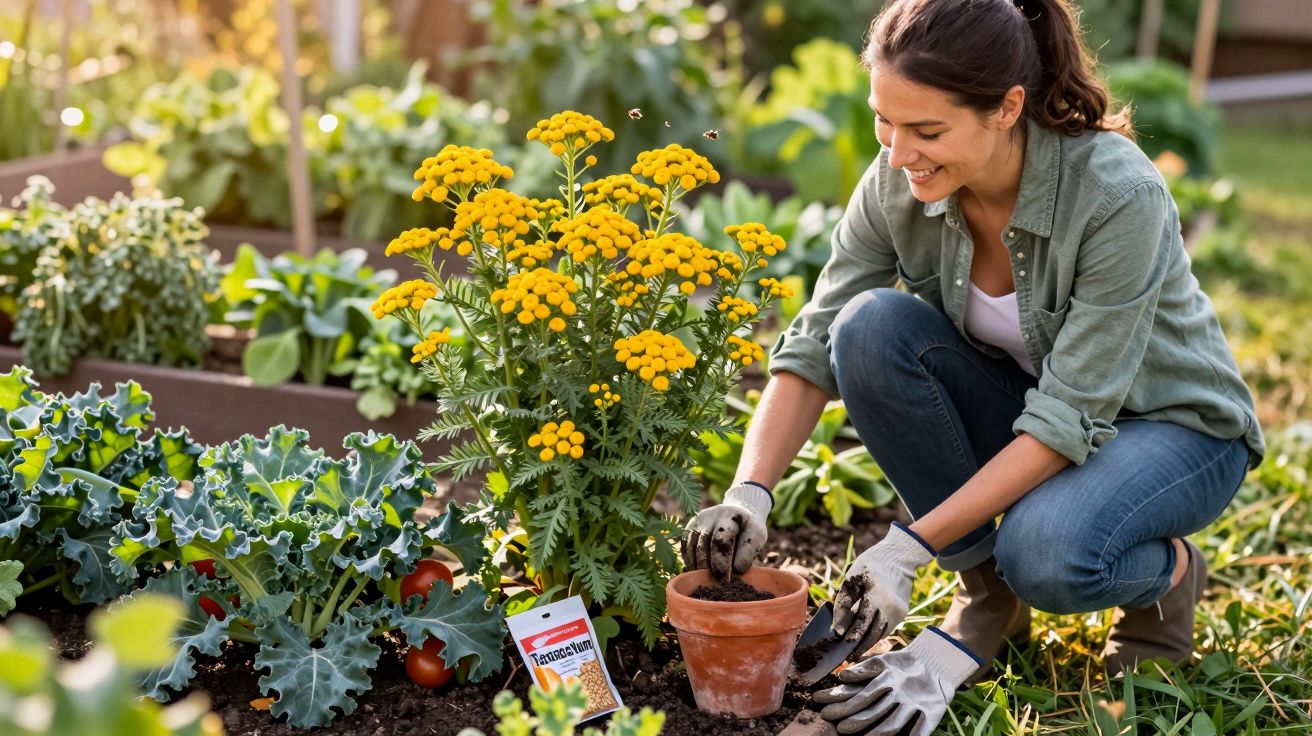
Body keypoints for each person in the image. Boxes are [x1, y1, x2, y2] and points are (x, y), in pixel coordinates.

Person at [682, 0, 1265, 733]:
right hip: (1041, 412)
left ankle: (1171, 575)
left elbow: (1067, 417)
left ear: (1006, 107)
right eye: (883, 122)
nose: (899, 153)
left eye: (927, 130)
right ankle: (988, 599)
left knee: (1045, 554)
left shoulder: (1117, 195)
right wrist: (750, 492)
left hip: (1174, 432)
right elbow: (816, 338)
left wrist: (909, 547)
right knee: (868, 329)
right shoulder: (898, 179)